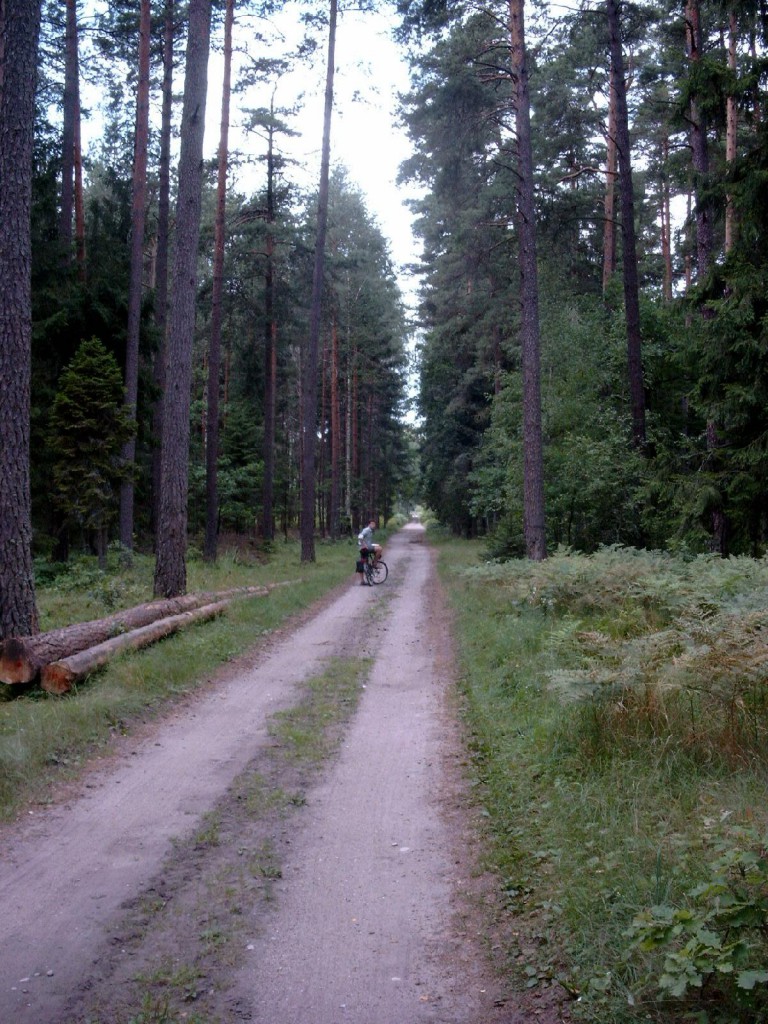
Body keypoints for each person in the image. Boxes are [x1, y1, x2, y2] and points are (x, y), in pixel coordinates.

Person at [357, 520, 382, 585]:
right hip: (364, 548)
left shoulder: (370, 531)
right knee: (379, 549)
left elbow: (367, 541)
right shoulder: (367, 530)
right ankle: (375, 563)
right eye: (372, 524)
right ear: (369, 524)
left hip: (364, 548)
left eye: (374, 524)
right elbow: (360, 537)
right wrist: (364, 544)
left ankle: (362, 581)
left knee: (362, 562)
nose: (373, 525)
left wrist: (374, 544)